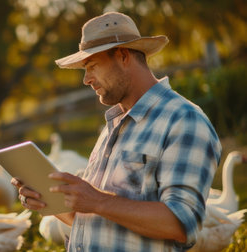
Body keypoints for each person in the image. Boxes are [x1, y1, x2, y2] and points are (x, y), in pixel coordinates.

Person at [12, 12, 221, 251]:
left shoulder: (184, 121)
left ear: (122, 56)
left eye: (91, 66)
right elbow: (94, 221)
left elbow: (181, 224)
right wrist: (49, 201)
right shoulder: (113, 125)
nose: (86, 79)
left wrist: (97, 200)